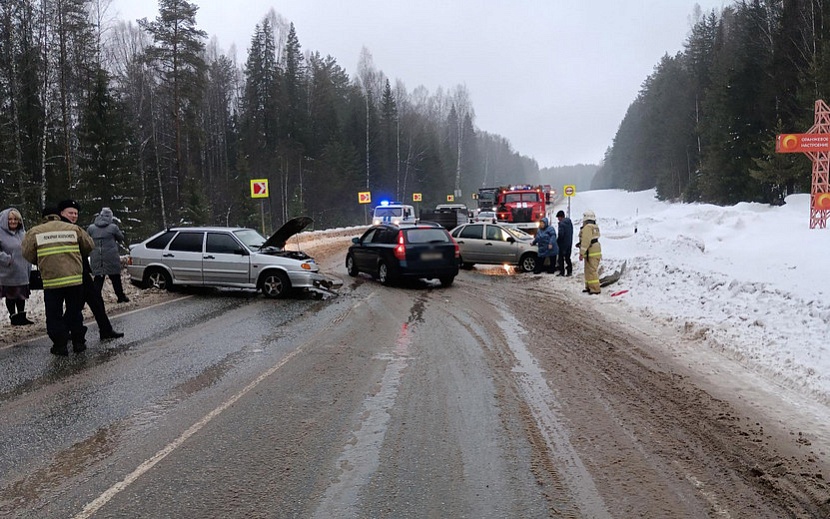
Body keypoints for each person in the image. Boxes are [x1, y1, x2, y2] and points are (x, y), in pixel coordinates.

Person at [22, 206, 94, 355]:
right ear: (58, 216)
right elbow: (89, 245)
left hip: (51, 281)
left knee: (54, 314)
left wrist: (42, 261)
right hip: (74, 279)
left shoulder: (35, 232)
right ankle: (79, 342)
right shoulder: (73, 229)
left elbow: (27, 253)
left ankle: (60, 345)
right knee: (74, 311)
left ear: (44, 217)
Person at [58, 200, 125, 341]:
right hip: (71, 273)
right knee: (76, 305)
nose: (74, 215)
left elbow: (87, 245)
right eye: (71, 213)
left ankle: (105, 329)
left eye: (76, 213)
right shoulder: (62, 229)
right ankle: (62, 332)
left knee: (96, 300)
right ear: (62, 213)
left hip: (83, 270)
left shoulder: (83, 228)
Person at [88, 207, 129, 302]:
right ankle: (120, 296)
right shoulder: (113, 227)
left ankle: (95, 299)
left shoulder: (91, 228)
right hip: (111, 257)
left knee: (98, 279)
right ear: (110, 217)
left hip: (97, 256)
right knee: (115, 278)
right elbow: (121, 238)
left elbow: (87, 240)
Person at [0, 208, 34, 325]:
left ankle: (21, 316)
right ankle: (13, 316)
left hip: (23, 270)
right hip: (8, 271)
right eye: (10, 219)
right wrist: (7, 259)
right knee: (11, 295)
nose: (13, 221)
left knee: (21, 294)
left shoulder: (23, 233)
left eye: (15, 219)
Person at [578, 209, 602, 295]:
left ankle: (595, 289)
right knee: (588, 270)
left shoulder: (588, 227)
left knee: (591, 270)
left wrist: (581, 252)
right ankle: (589, 287)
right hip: (594, 249)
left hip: (591, 250)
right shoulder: (594, 226)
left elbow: (586, 241)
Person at [555, 210, 574, 277]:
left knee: (561, 258)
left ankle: (562, 272)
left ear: (560, 217)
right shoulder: (569, 223)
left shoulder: (561, 224)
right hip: (569, 243)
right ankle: (569, 271)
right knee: (567, 258)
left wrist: (558, 241)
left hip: (562, 244)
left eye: (558, 217)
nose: (558, 219)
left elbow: (561, 235)